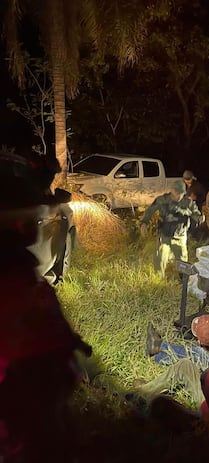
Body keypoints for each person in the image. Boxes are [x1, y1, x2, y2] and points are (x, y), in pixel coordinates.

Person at [0, 152, 92, 462]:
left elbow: (45, 315)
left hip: (47, 398)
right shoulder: (11, 278)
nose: (35, 223)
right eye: (28, 216)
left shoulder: (24, 274)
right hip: (26, 408)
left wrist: (71, 340)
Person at [140, 179, 204, 278]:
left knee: (182, 260)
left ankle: (183, 281)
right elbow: (150, 211)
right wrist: (144, 223)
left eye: (181, 193)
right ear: (172, 190)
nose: (178, 196)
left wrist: (199, 217)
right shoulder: (162, 200)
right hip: (164, 235)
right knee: (160, 258)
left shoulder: (188, 202)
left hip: (180, 236)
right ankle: (158, 280)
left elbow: (196, 215)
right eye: (176, 193)